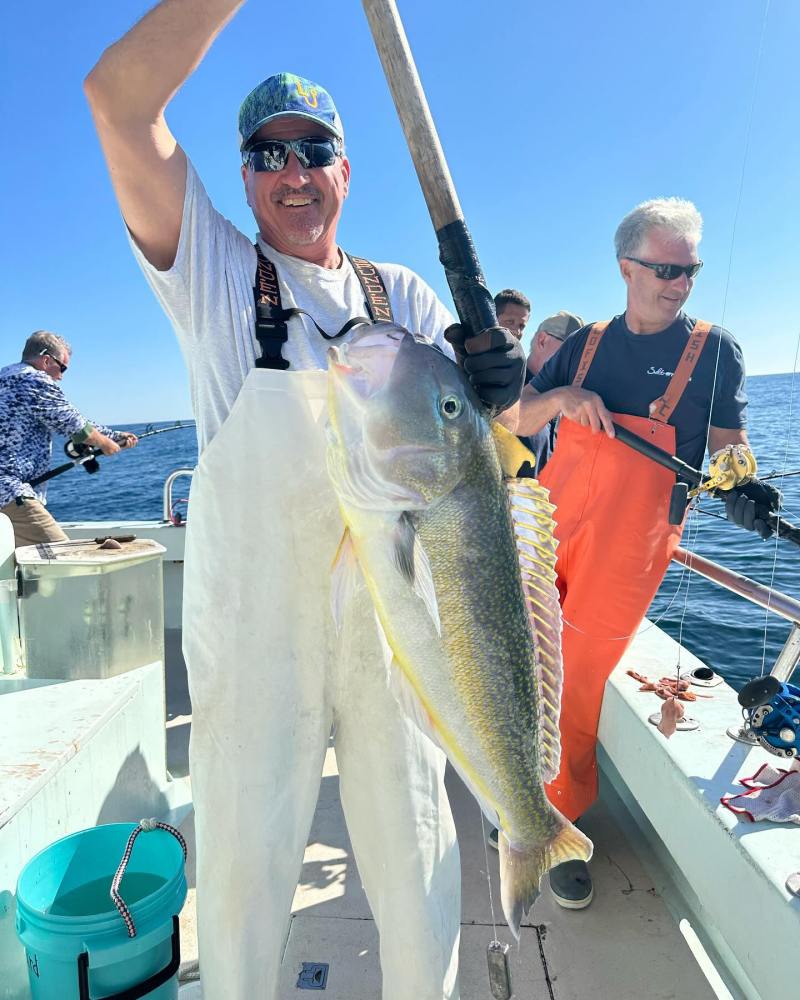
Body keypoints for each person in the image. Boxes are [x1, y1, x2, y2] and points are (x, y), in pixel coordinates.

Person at [84, 4, 525, 997]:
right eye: (266, 154)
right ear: (241, 178)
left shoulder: (400, 294)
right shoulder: (213, 271)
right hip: (255, 641)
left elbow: (467, 470)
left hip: (392, 631)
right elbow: (116, 98)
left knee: (419, 866)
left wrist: (500, 387)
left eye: (313, 149)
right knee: (239, 886)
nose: (292, 172)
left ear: (345, 169)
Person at [511, 197, 777, 910]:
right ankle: (513, 789)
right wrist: (564, 394)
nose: (680, 282)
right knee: (525, 653)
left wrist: (743, 482)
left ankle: (556, 824)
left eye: (689, 269)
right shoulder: (586, 342)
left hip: (631, 550)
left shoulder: (715, 350)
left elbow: (729, 448)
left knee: (579, 677)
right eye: (665, 268)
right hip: (550, 528)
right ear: (626, 267)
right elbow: (514, 417)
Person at [0, 331, 137, 547]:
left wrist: (115, 435)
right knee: (62, 559)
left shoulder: (6, 378)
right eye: (61, 367)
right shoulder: (33, 380)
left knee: (22, 564)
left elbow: (71, 419)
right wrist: (106, 444)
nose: (61, 376)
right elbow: (76, 427)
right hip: (9, 491)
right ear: (46, 360)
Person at [519, 311, 583, 473]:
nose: (578, 361)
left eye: (583, 355)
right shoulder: (502, 392)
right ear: (542, 340)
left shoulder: (565, 407)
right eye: (571, 349)